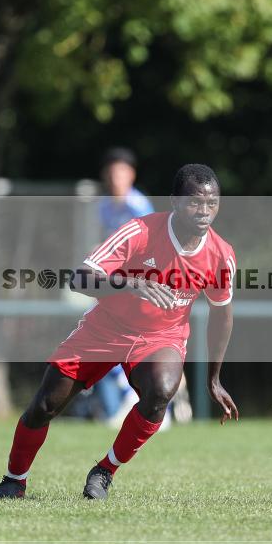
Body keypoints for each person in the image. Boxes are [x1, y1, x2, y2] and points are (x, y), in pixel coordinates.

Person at [0, 164, 238, 500]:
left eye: (212, 203)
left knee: (162, 391)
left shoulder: (221, 255)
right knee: (45, 406)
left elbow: (222, 316)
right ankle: (14, 480)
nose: (204, 212)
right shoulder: (139, 231)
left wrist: (214, 378)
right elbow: (79, 279)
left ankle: (104, 472)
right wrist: (130, 283)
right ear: (175, 202)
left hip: (161, 337)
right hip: (105, 330)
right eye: (195, 203)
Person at [90, 148, 154, 422]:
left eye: (122, 172)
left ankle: (145, 395)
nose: (117, 177)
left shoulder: (139, 206)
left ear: (131, 175)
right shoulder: (103, 206)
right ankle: (126, 391)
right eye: (113, 172)